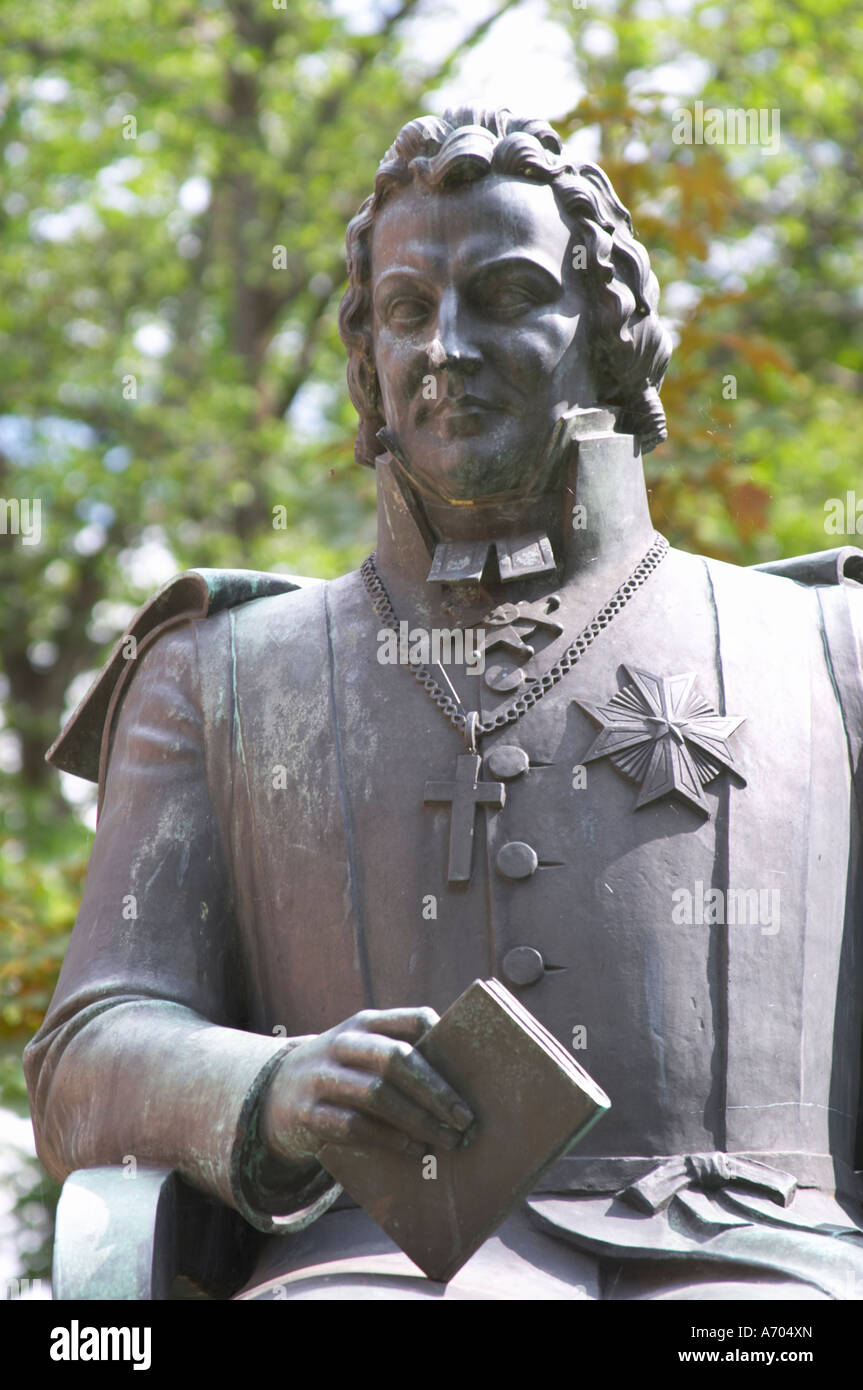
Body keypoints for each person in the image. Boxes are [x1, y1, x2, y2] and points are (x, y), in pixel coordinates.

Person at [25, 105, 863, 1300]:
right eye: (407, 311)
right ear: (366, 361)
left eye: (508, 296)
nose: (445, 349)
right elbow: (86, 1049)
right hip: (367, 1261)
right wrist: (269, 1088)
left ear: (611, 335)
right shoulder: (217, 671)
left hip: (764, 1258)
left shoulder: (830, 649)